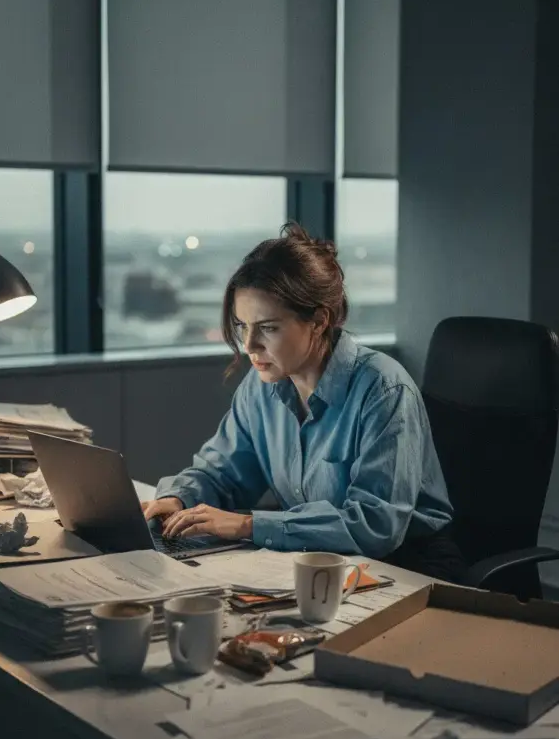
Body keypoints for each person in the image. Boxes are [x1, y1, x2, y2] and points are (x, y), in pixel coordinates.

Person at [143, 223, 466, 583]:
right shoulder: (262, 385)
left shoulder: (384, 390)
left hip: (408, 568)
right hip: (320, 563)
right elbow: (223, 473)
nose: (249, 345)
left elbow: (375, 526)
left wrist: (248, 525)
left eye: (267, 328)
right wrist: (179, 500)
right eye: (241, 326)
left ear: (318, 321)